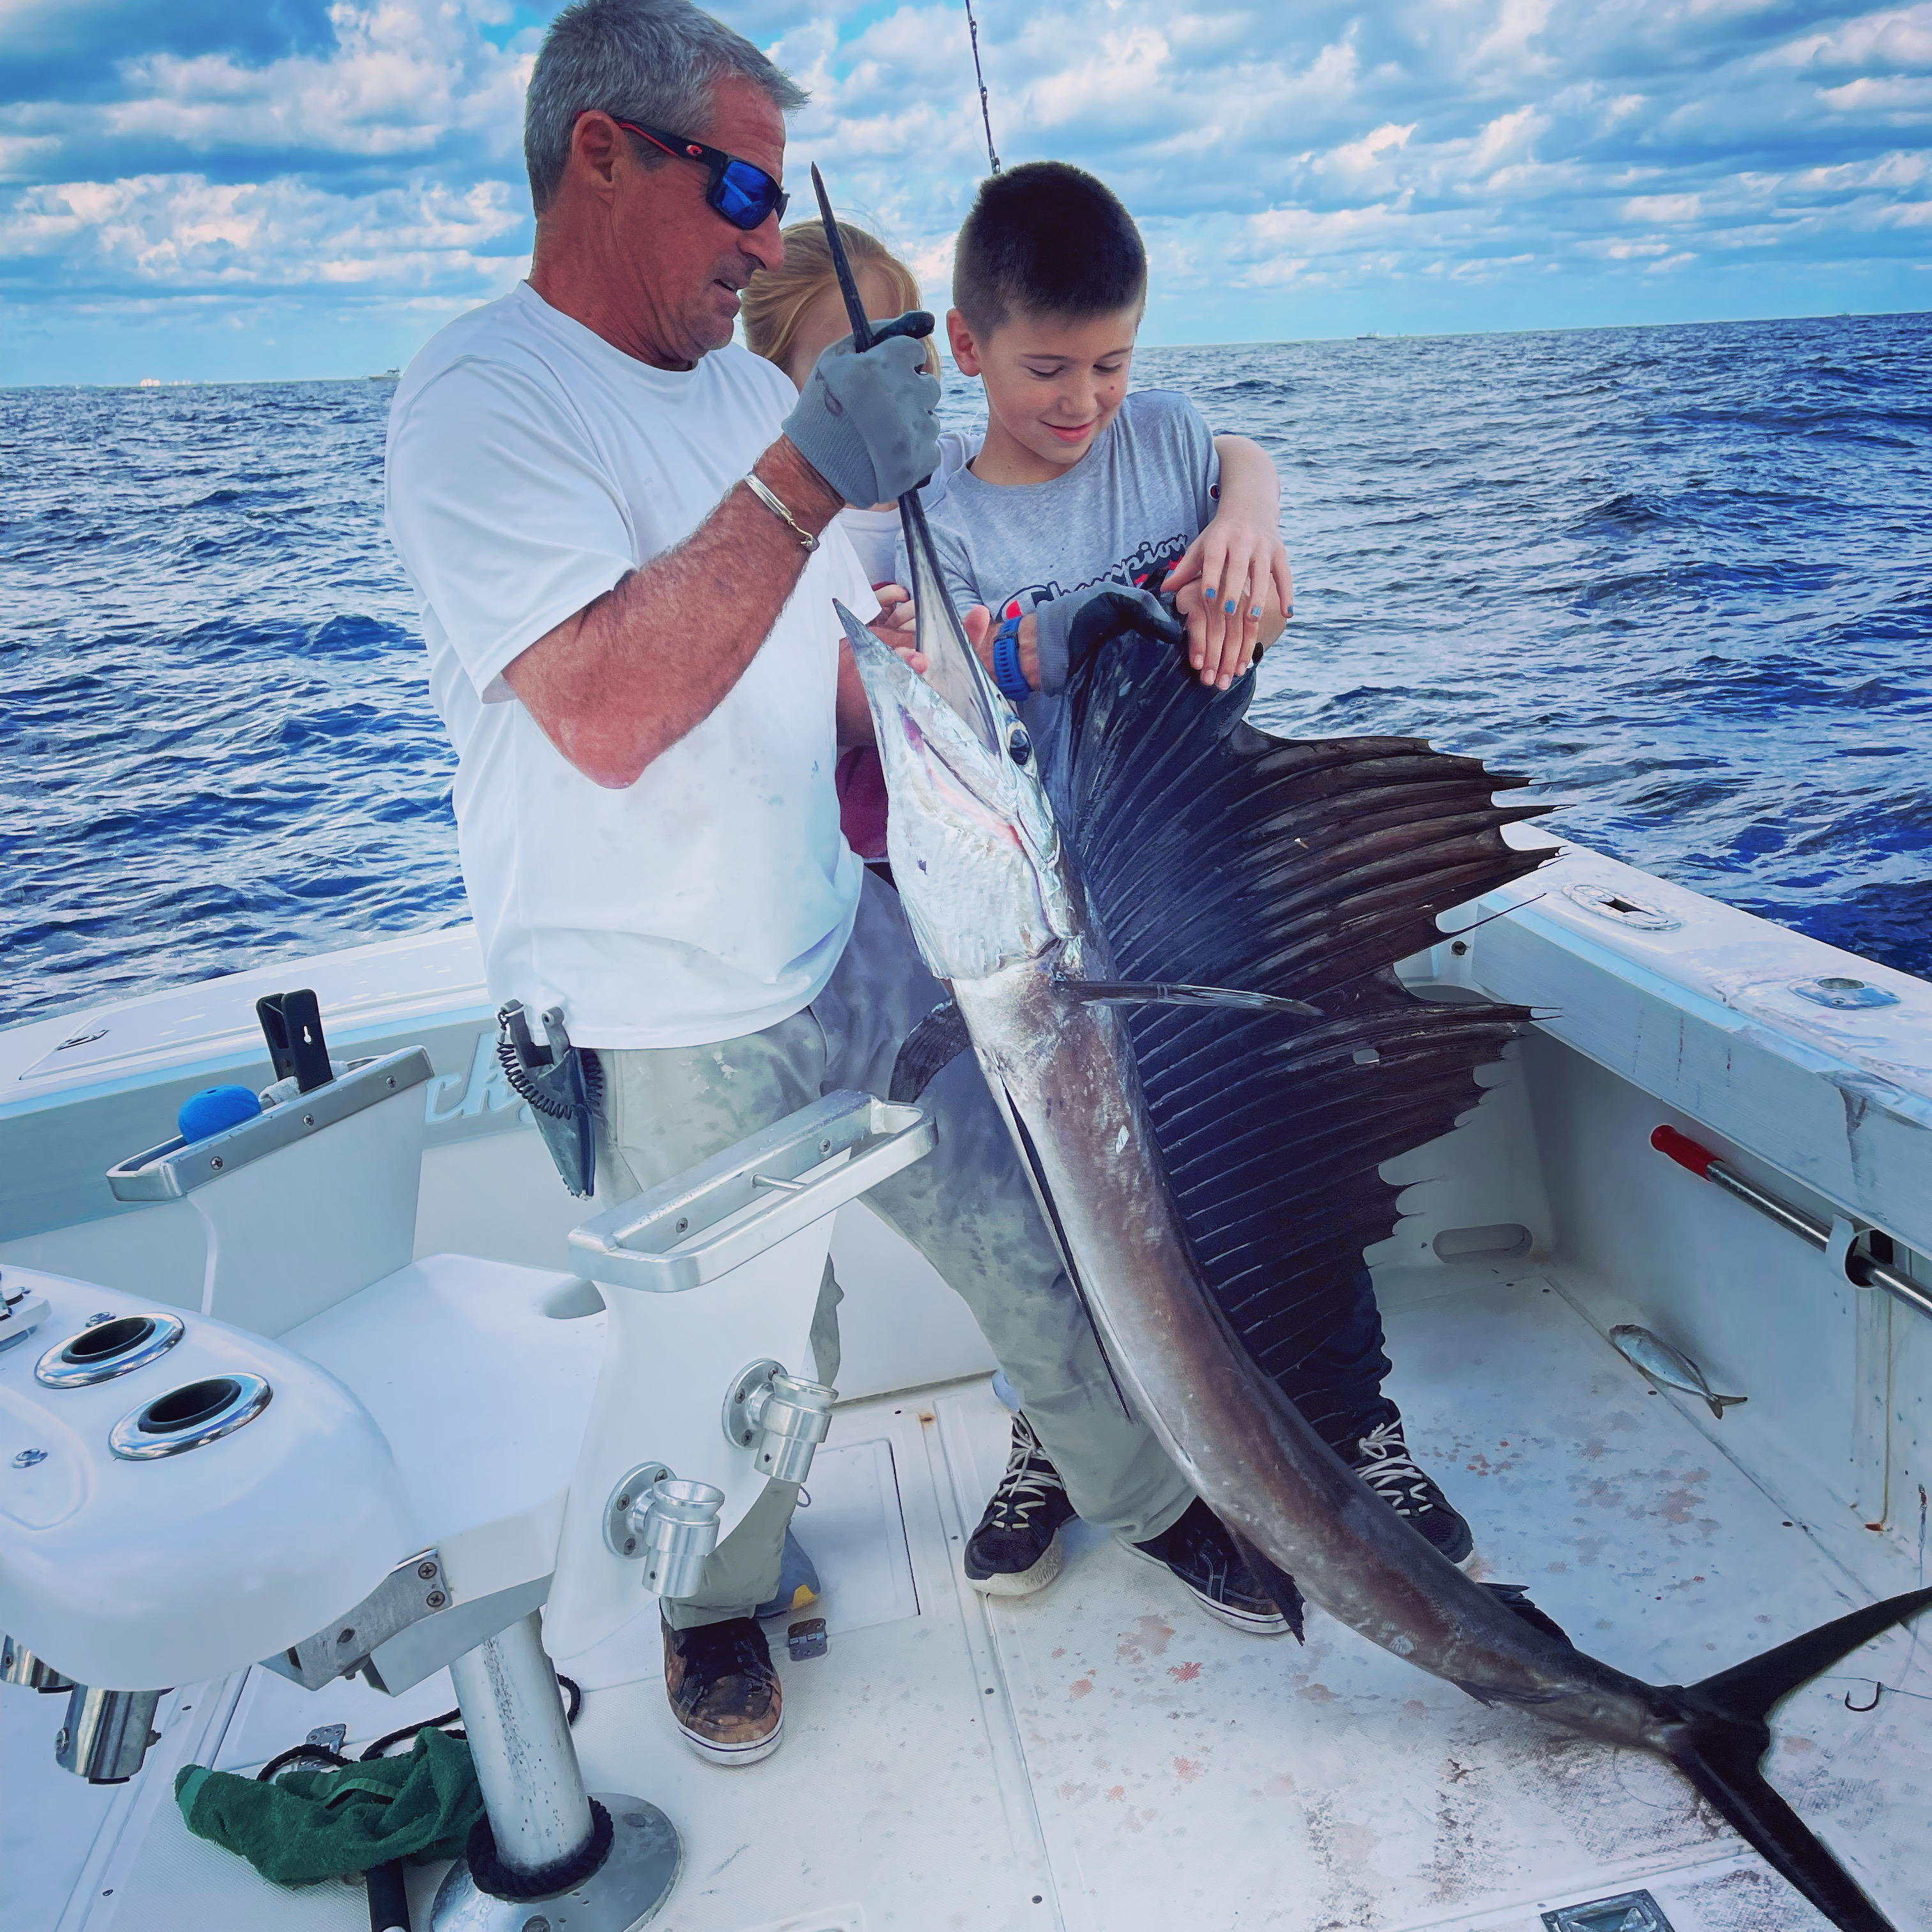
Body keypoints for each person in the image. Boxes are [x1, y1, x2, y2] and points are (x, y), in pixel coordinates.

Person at [384, 0, 1285, 1775]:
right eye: (736, 190)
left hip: (853, 948)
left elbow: (859, 623)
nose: (761, 239)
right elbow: (614, 708)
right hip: (653, 1015)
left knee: (1035, 1242)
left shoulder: (739, 384)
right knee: (742, 1356)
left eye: (775, 198)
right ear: (601, 155)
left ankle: (1150, 1493)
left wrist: (1225, 495)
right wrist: (809, 472)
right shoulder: (480, 396)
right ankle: (716, 1605)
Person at [908, 160, 1479, 1583]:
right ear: (966, 349)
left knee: (1283, 1153)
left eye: (1111, 363)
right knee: (1055, 1208)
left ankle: (1359, 1431)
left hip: (1217, 892)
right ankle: (1058, 1433)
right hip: (1057, 937)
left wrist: (1253, 517)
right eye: (1047, 367)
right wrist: (1038, 632)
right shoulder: (937, 511)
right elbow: (932, 680)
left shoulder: (1166, 441)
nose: (1083, 401)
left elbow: (1228, 457)